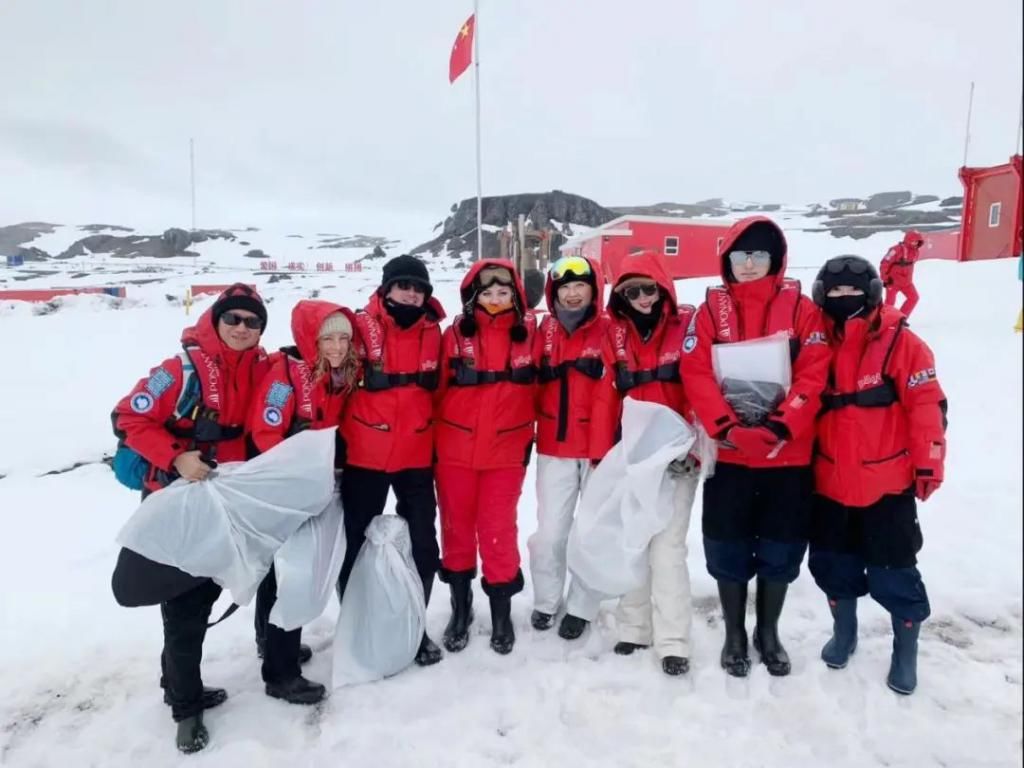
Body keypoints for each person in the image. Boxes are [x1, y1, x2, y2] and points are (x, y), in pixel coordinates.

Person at [111, 283, 270, 753]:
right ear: (216, 321)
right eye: (233, 319)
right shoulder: (177, 371)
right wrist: (177, 456)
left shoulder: (262, 368)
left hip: (222, 503)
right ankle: (186, 707)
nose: (242, 328)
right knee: (184, 606)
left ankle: (173, 680)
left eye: (252, 321)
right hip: (178, 504)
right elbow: (128, 417)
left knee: (200, 596)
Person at [681, 217, 830, 678]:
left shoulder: (803, 309)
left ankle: (769, 632)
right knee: (727, 545)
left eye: (759, 255)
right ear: (727, 261)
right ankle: (734, 633)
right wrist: (726, 426)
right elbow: (696, 370)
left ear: (776, 259)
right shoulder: (710, 312)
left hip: (787, 455)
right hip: (729, 457)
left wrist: (783, 424)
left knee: (781, 547)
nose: (748, 265)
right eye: (740, 256)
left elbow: (814, 369)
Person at [808, 255, 947, 695]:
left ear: (870, 293)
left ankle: (905, 651)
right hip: (829, 484)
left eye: (853, 292)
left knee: (894, 571)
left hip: (887, 486)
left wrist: (929, 463)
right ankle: (844, 633)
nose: (843, 300)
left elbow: (928, 408)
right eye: (834, 293)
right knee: (834, 565)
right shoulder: (812, 343)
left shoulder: (905, 345)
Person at [579, 253, 700, 676]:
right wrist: (599, 456)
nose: (643, 298)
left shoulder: (688, 330)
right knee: (634, 541)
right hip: (632, 456)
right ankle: (634, 628)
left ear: (664, 289)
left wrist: (697, 449)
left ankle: (673, 640)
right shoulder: (616, 338)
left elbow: (702, 387)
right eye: (633, 292)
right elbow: (603, 397)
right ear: (621, 297)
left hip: (676, 457)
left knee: (667, 549)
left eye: (650, 289)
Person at [247, 300, 359, 705]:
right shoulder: (284, 377)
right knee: (293, 577)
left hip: (315, 486)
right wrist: (295, 482)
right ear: (308, 338)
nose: (336, 346)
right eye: (327, 337)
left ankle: (271, 642)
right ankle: (280, 673)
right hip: (289, 489)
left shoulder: (333, 374)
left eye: (344, 337)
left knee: (281, 575)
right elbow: (266, 431)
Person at [337, 254, 446, 666]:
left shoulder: (437, 335)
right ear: (386, 288)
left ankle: (414, 626)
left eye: (419, 288)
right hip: (364, 458)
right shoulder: (357, 328)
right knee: (354, 546)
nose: (411, 293)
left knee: (422, 546)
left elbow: (444, 393)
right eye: (403, 285)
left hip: (416, 458)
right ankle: (356, 624)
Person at [434, 260, 537, 655]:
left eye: (504, 292)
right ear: (473, 298)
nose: (495, 300)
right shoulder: (452, 337)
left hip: (507, 454)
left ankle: (500, 613)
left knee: (498, 532)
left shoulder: (530, 338)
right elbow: (435, 391)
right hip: (454, 453)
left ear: (516, 296)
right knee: (457, 530)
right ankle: (461, 610)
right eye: (488, 293)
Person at [526, 255, 610, 637]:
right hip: (555, 448)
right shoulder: (541, 331)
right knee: (550, 534)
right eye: (565, 287)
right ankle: (546, 600)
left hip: (599, 450)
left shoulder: (611, 330)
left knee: (591, 533)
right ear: (553, 292)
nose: (573, 294)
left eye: (581, 286)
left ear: (594, 290)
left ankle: (582, 605)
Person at [880, 230, 923, 317]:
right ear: (908, 239)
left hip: (907, 282)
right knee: (889, 304)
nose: (916, 243)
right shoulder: (896, 250)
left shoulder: (916, 251)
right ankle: (884, 321)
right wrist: (885, 278)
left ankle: (901, 318)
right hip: (893, 281)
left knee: (914, 298)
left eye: (918, 241)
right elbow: (884, 263)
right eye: (914, 240)